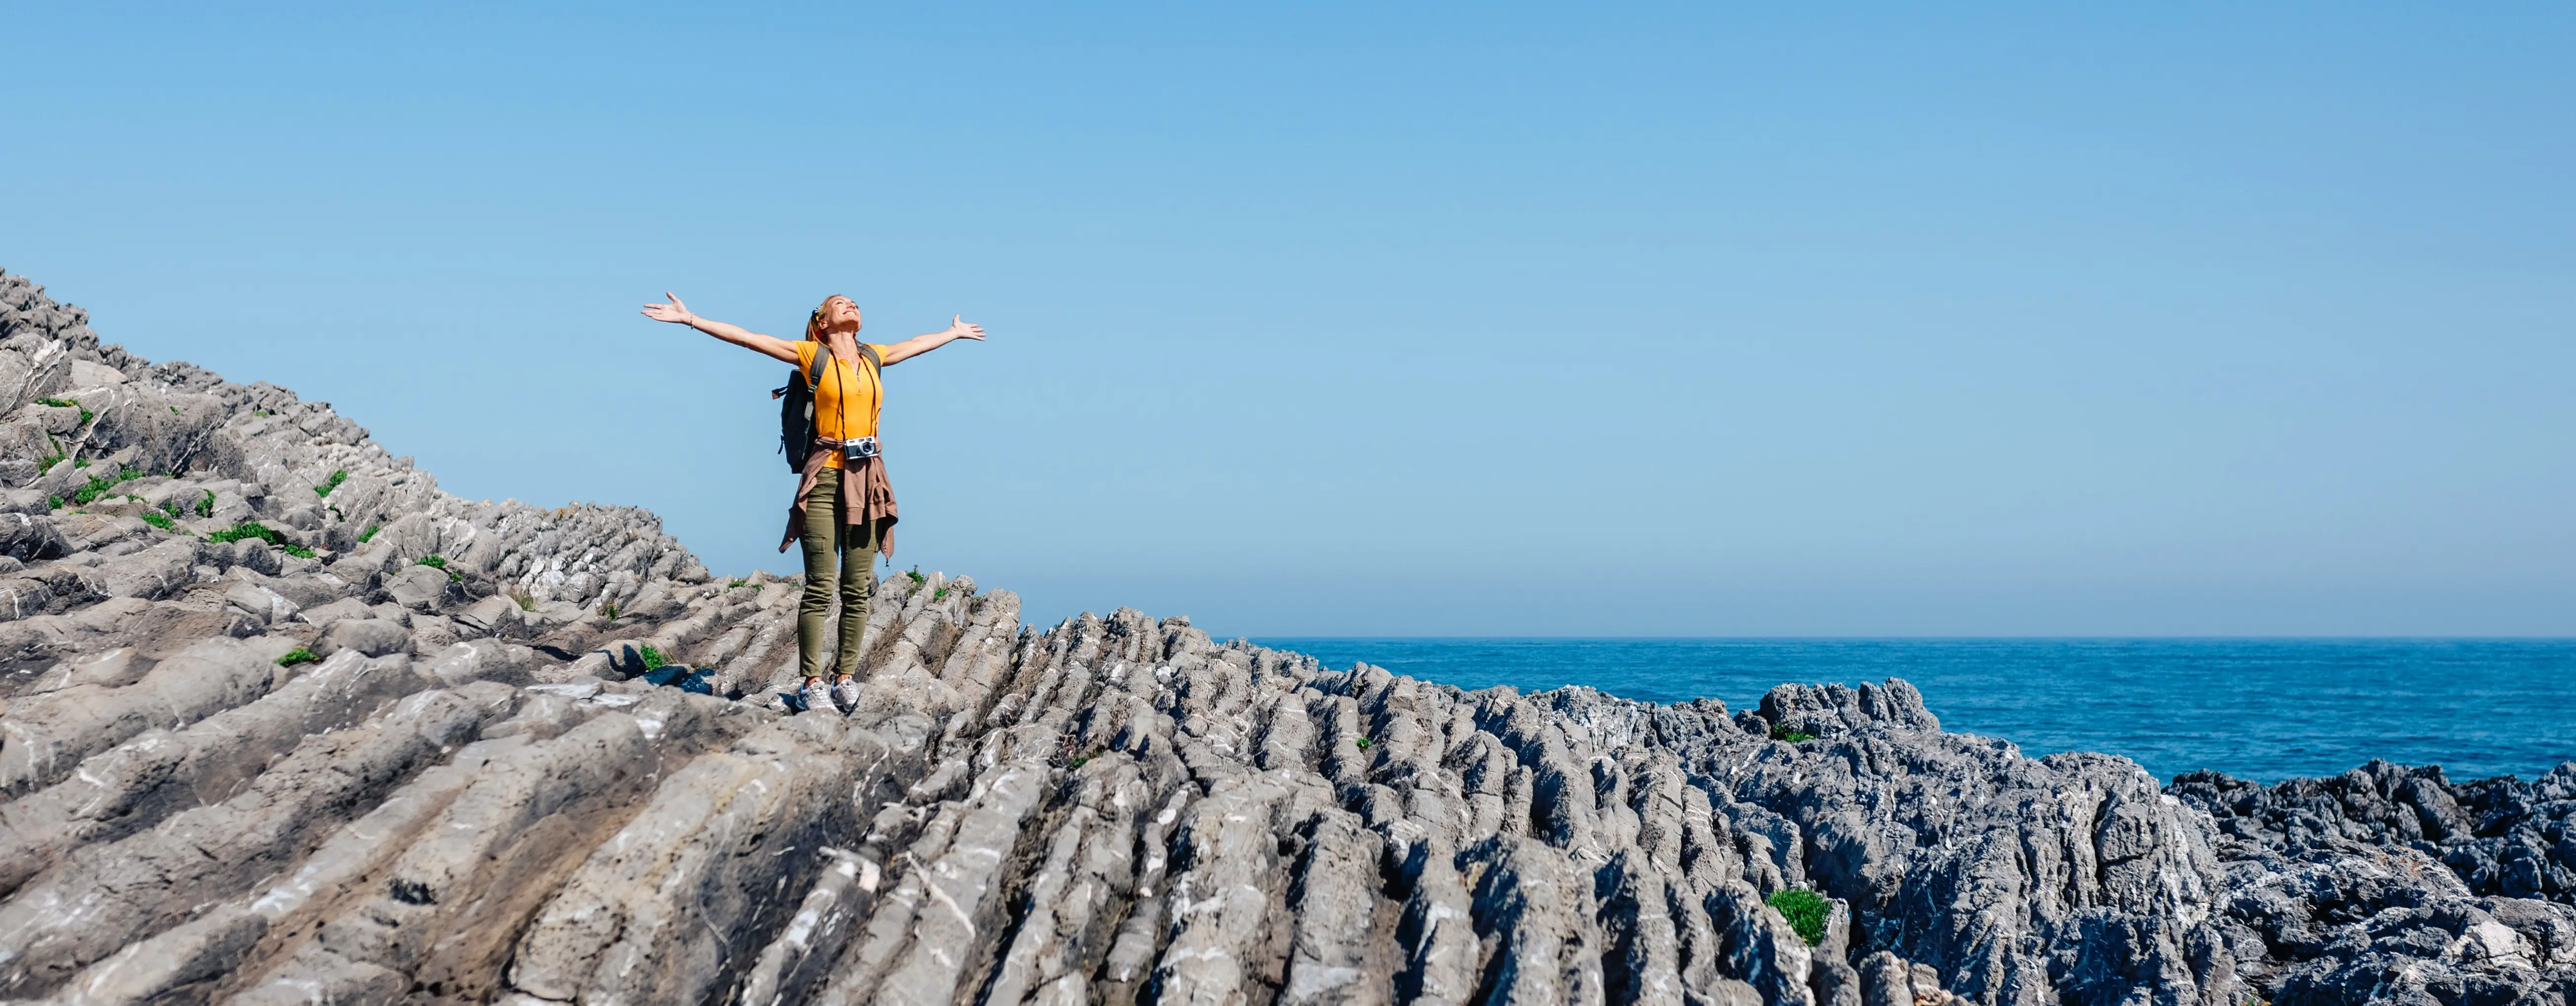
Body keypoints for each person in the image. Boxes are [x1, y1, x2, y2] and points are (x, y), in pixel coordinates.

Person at [641, 292, 984, 714]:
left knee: (857, 587)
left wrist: (952, 333)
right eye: (839, 303)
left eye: (855, 301)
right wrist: (691, 318)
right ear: (822, 322)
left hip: (868, 477)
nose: (851, 305)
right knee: (821, 584)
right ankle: (811, 684)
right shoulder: (811, 355)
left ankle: (844, 678)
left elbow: (913, 344)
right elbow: (747, 339)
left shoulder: (873, 356)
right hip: (824, 478)